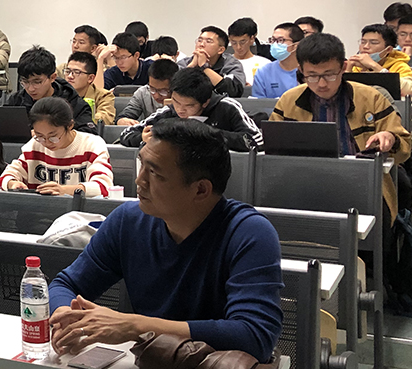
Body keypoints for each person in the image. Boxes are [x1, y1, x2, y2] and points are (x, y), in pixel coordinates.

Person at [48, 119, 282, 361]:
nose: (140, 181)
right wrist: (68, 317)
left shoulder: (249, 232)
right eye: (142, 165)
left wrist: (136, 326)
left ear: (201, 189)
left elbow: (255, 337)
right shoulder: (128, 221)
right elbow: (66, 284)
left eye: (155, 173)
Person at [271, 33, 412, 224]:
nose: (321, 84)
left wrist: (391, 138)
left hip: (363, 184)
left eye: (329, 75)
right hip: (303, 184)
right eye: (312, 76)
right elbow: (272, 150)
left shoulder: (372, 98)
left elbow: (405, 148)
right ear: (301, 71)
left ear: (343, 67)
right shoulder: (289, 101)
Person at [121, 68, 262, 152]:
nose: (180, 110)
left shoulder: (227, 107)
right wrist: (142, 138)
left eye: (189, 106)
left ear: (205, 102)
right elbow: (126, 133)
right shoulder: (169, 112)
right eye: (176, 101)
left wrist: (210, 134)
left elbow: (257, 140)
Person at [0, 97, 113, 196]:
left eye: (53, 137)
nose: (47, 143)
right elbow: (8, 175)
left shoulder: (92, 145)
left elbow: (104, 187)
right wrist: (12, 183)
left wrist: (65, 190)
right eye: (40, 136)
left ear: (70, 126)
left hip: (81, 211)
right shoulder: (34, 145)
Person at [3, 46, 97, 134]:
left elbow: (89, 134)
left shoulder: (73, 102)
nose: (31, 88)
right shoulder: (16, 101)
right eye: (25, 82)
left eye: (37, 82)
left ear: (52, 77)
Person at [349, 24, 412, 97]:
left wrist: (374, 66)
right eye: (363, 42)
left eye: (374, 43)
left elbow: (408, 90)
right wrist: (348, 69)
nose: (365, 46)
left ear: (388, 49)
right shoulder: (356, 66)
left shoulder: (399, 65)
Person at [178, 26, 247, 98]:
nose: (201, 44)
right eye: (199, 40)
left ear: (220, 50)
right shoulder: (185, 62)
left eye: (208, 41)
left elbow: (234, 91)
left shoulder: (231, 64)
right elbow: (174, 88)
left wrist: (204, 67)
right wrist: (191, 67)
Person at [116, 58, 179, 125]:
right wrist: (122, 120)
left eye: (163, 91)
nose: (156, 96)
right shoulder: (143, 93)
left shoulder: (183, 97)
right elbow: (125, 115)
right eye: (152, 89)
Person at [251, 23, 305, 98]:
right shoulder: (264, 72)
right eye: (273, 40)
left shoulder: (306, 70)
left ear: (295, 45)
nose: (275, 44)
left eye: (280, 40)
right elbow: (259, 102)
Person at [66, 52, 115, 125]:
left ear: (90, 78)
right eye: (67, 71)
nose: (70, 76)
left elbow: (103, 119)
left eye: (77, 72)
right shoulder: (59, 93)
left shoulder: (104, 96)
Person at [228, 18, 269, 85]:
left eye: (242, 42)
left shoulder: (264, 64)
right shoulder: (224, 64)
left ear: (252, 39)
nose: (238, 47)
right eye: (234, 42)